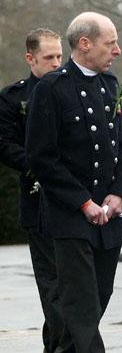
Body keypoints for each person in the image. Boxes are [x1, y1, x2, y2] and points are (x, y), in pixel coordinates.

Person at [26, 12, 122, 353]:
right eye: (110, 42)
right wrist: (82, 202)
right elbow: (42, 157)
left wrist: (119, 193)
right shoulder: (52, 88)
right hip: (70, 215)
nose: (117, 50)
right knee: (82, 305)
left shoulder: (110, 85)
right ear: (84, 43)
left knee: (98, 299)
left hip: (108, 216)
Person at [0, 28, 64, 352]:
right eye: (48, 57)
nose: (56, 63)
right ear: (30, 58)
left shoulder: (76, 91)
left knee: (76, 286)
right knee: (53, 285)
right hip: (39, 202)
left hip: (78, 202)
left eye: (59, 56)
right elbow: (2, 144)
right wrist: (40, 165)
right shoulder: (13, 98)